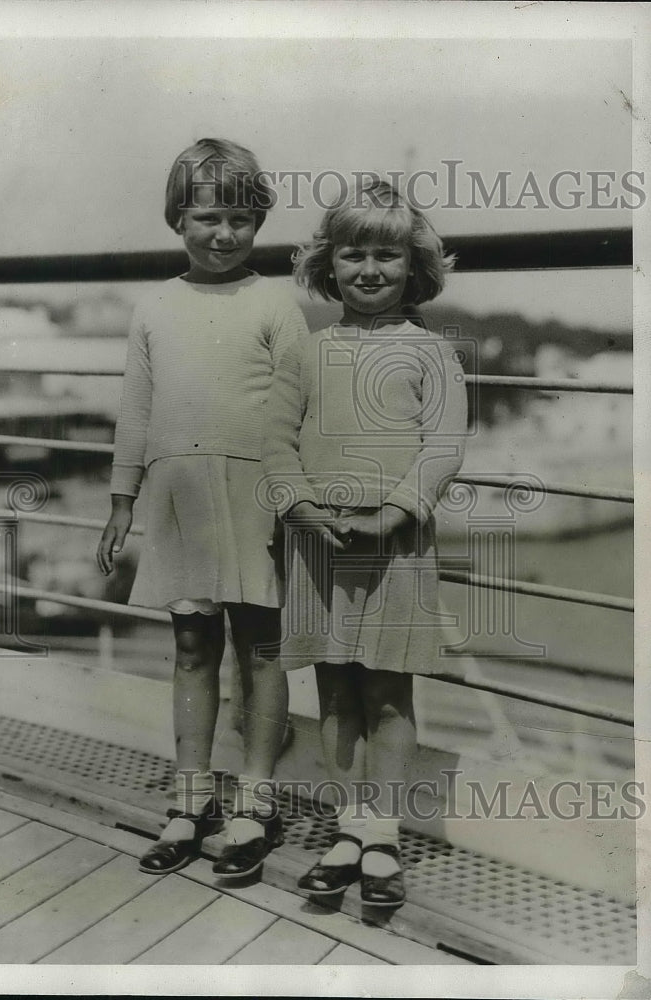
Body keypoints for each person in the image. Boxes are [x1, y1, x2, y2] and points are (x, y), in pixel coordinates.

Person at [97, 138, 308, 879]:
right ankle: (190, 799)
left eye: (242, 220)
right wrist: (122, 497)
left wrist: (293, 501)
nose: (225, 235)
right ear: (176, 217)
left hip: (256, 495)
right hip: (178, 494)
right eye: (210, 217)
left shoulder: (276, 301)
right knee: (192, 648)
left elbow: (294, 409)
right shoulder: (154, 305)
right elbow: (136, 407)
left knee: (262, 648)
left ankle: (255, 800)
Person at [262, 178, 467, 905]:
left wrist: (396, 511)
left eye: (387, 255)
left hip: (395, 546)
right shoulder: (308, 351)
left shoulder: (431, 353)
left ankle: (382, 836)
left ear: (412, 266)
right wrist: (297, 507)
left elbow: (442, 446)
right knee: (335, 690)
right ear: (328, 265)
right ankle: (349, 825)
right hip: (317, 544)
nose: (370, 270)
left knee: (385, 693)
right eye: (353, 255)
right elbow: (275, 440)